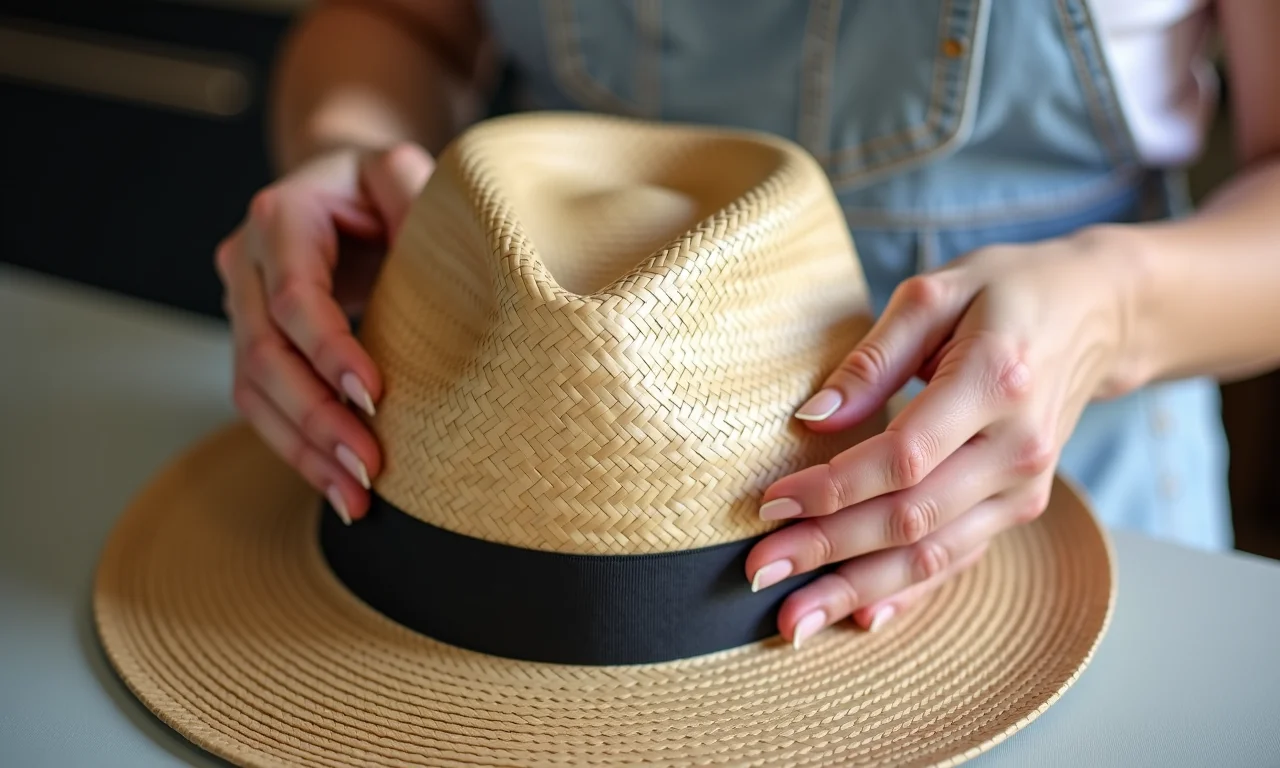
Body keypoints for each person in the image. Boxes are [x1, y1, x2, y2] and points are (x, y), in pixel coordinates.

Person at [215, 0, 1280, 648]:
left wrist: (1111, 304)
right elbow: (395, 20)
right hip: (481, 496)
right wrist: (346, 149)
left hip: (1045, 491)